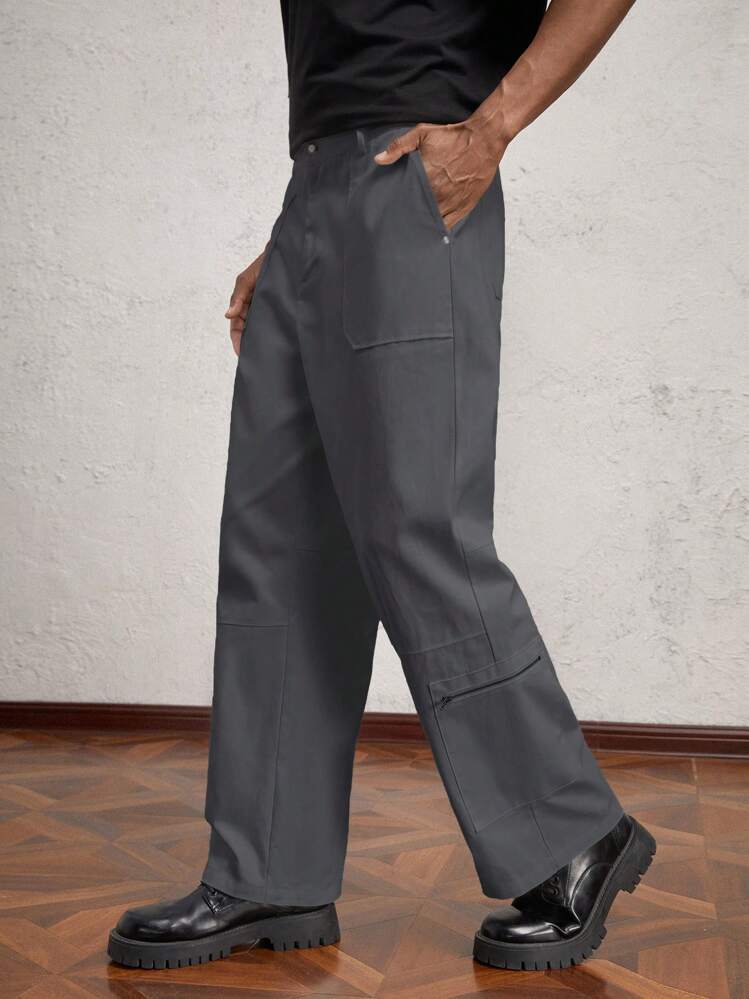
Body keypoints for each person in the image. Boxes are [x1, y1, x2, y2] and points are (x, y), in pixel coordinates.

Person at [108, 0, 655, 974]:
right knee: (277, 543)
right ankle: (268, 867)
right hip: (315, 186)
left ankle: (571, 835)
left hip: (413, 176)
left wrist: (489, 129)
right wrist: (302, 225)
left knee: (416, 526)